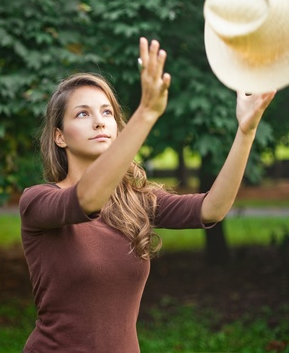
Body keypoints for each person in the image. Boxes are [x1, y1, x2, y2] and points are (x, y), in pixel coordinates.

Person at [19, 37, 275, 353]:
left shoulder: (133, 200)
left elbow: (211, 208)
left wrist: (245, 132)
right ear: (59, 137)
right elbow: (85, 201)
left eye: (107, 112)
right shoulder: (37, 202)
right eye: (83, 114)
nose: (100, 121)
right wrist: (147, 114)